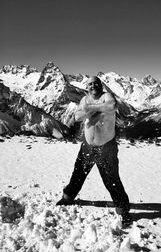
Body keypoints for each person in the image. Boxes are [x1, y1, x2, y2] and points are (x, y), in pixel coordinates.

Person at [56, 76, 131, 223]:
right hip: (88, 145)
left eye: (95, 83)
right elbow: (78, 116)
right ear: (87, 86)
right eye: (90, 84)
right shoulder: (84, 99)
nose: (93, 86)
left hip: (107, 147)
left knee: (112, 179)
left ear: (100, 85)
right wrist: (93, 112)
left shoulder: (106, 96)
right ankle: (67, 198)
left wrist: (90, 109)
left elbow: (111, 106)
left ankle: (123, 209)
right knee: (78, 173)